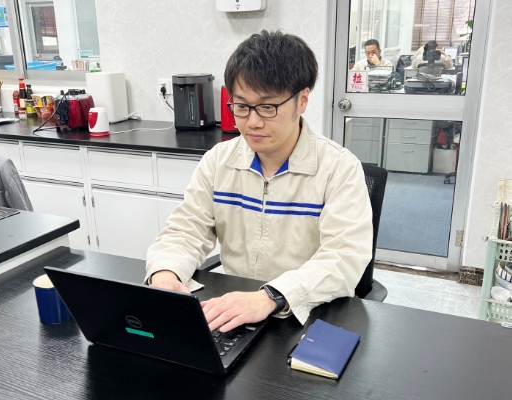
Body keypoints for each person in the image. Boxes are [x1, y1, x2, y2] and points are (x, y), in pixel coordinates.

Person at [145, 30, 373, 332]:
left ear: (302, 100)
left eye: (267, 107)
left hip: (307, 315)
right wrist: (165, 273)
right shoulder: (219, 161)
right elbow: (187, 229)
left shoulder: (338, 168)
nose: (252, 122)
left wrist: (271, 296)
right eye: (241, 106)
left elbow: (344, 258)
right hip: (235, 310)